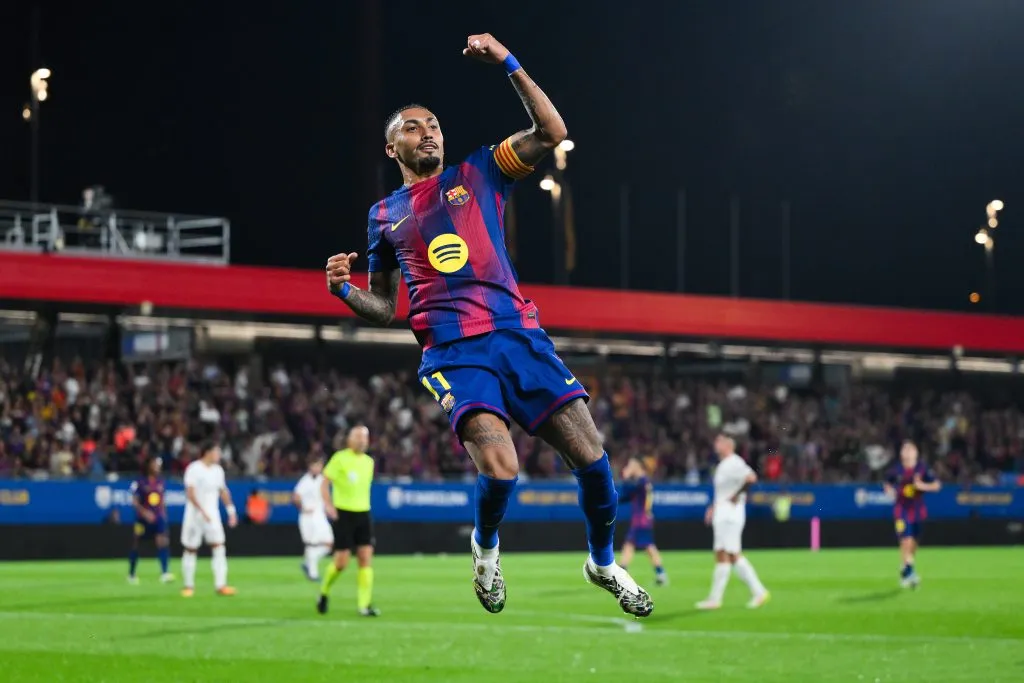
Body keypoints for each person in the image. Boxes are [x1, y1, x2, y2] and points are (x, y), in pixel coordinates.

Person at [324, 33, 652, 618]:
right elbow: (385, 307)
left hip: (516, 335)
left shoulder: (479, 172)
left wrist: (509, 62)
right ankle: (485, 547)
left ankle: (601, 563)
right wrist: (344, 290)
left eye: (435, 125)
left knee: (594, 458)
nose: (430, 131)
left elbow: (552, 132)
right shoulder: (384, 216)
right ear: (391, 145)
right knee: (503, 469)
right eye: (415, 126)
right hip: (454, 351)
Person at [696, 434, 770, 610]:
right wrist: (714, 507)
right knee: (725, 554)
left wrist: (738, 495)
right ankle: (716, 599)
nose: (716, 443)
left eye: (719, 441)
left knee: (730, 554)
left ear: (728, 445)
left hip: (730, 515)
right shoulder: (723, 465)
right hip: (723, 513)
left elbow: (751, 477)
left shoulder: (734, 462)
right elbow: (723, 492)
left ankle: (758, 592)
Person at [317, 426, 379, 617]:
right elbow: (324, 484)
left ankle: (364, 605)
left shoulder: (369, 462)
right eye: (358, 436)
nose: (362, 440)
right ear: (350, 439)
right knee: (341, 562)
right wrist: (328, 505)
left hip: (363, 514)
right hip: (343, 514)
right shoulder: (339, 458)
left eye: (365, 437)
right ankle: (324, 592)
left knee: (365, 558)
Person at [180, 441, 237, 597]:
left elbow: (223, 491)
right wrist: (201, 511)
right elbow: (190, 493)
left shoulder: (218, 471)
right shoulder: (194, 469)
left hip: (212, 515)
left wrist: (231, 511)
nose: (219, 455)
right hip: (195, 515)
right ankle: (188, 585)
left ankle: (221, 585)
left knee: (219, 547)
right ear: (207, 452)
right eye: (216, 452)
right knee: (191, 549)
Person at [883, 439, 941, 588]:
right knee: (905, 540)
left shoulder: (922, 469)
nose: (907, 452)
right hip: (901, 509)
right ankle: (909, 573)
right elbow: (887, 482)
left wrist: (922, 486)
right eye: (905, 449)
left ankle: (907, 568)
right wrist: (889, 490)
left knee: (914, 542)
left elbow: (937, 485)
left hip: (918, 511)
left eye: (910, 449)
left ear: (916, 453)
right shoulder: (896, 470)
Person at [618, 458, 667, 586]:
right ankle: (661, 574)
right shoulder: (643, 482)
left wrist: (625, 477)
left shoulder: (641, 482)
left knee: (630, 545)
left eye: (630, 465)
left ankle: (621, 575)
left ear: (637, 466)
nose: (628, 467)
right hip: (643, 520)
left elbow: (626, 493)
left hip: (641, 520)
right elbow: (624, 498)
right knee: (648, 547)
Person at [127, 456, 174, 584]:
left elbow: (162, 500)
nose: (158, 467)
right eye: (155, 464)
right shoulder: (140, 482)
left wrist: (164, 514)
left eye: (159, 465)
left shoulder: (161, 482)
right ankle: (131, 574)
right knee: (137, 544)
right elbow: (135, 502)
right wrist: (145, 513)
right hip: (141, 520)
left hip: (158, 518)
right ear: (149, 465)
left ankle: (165, 573)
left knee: (162, 542)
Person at [294, 456, 334, 581]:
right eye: (315, 465)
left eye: (319, 465)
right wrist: (303, 508)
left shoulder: (322, 480)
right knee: (312, 544)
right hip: (308, 517)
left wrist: (328, 508)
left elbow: (326, 495)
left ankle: (308, 563)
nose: (317, 468)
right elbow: (296, 497)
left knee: (328, 543)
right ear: (310, 466)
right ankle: (313, 573)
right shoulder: (305, 481)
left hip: (319, 516)